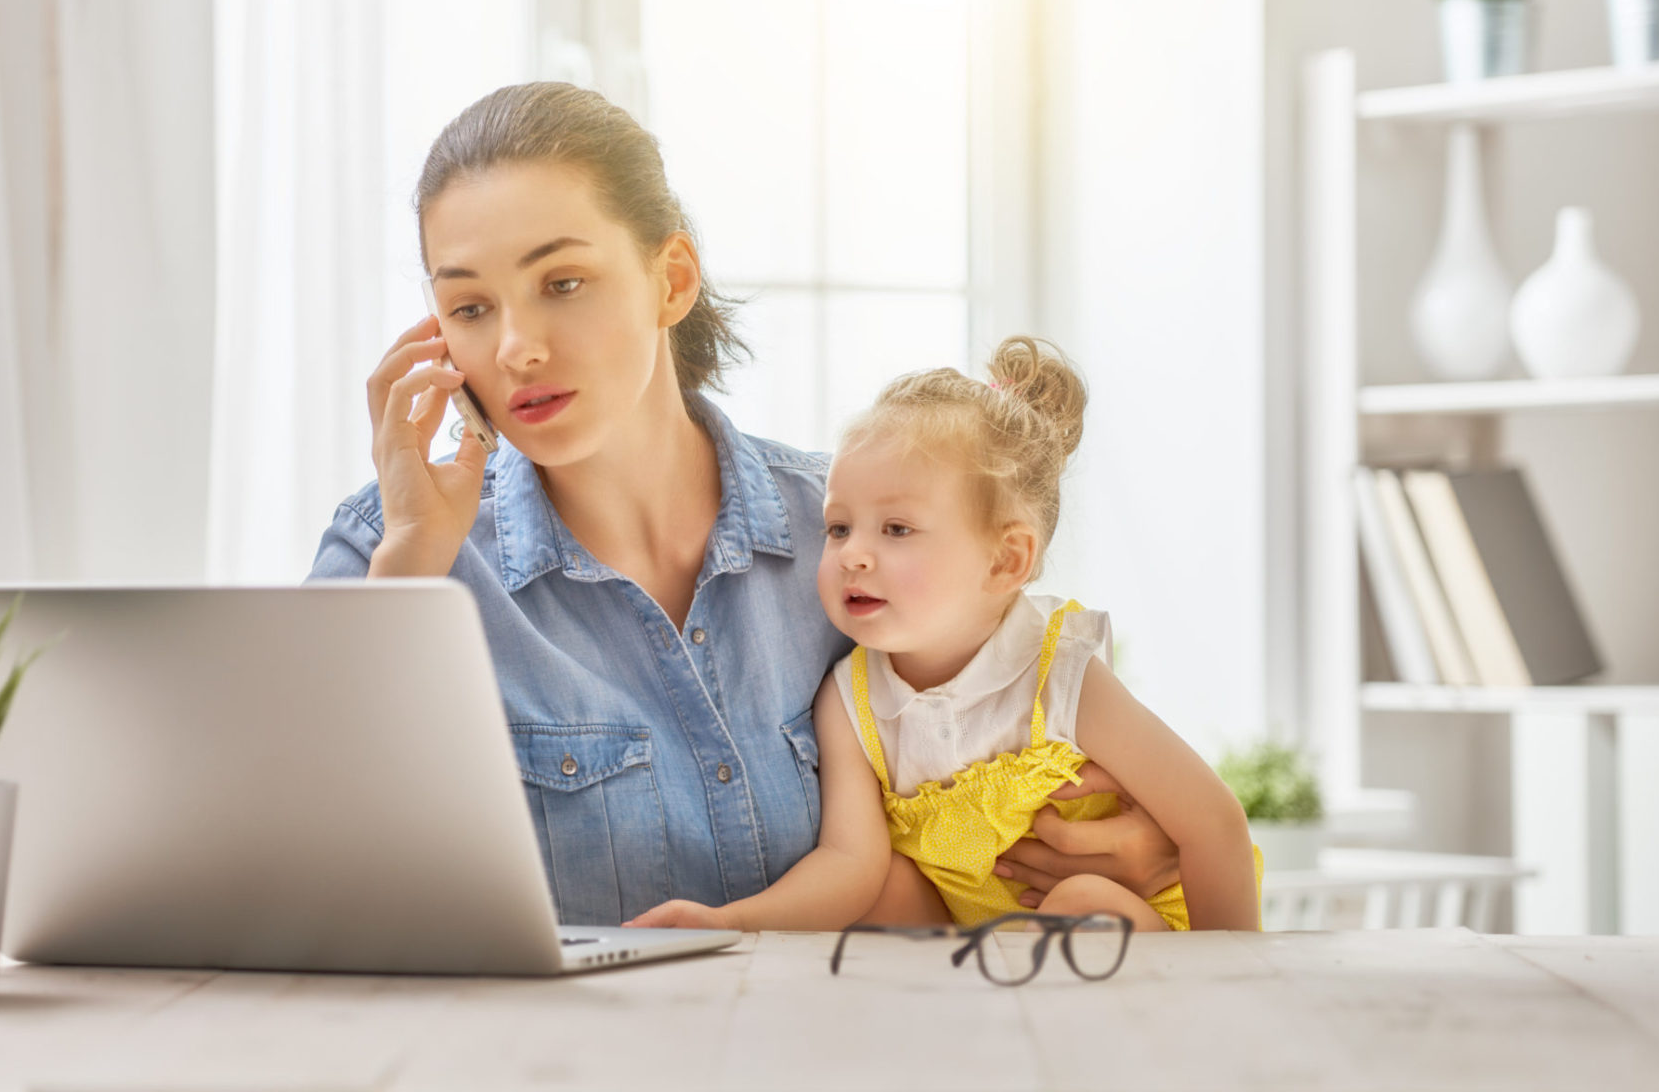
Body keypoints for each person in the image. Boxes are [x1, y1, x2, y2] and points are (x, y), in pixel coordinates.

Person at [308, 82, 1184, 926]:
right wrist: (412, 564)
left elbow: (1035, 761)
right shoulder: (388, 549)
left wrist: (1141, 847)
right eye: (468, 306)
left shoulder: (855, 539)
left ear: (672, 278)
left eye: (562, 283)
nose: (516, 348)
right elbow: (309, 878)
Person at [627, 338, 1261, 933]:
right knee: (882, 885)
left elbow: (1214, 824)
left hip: (1119, 928)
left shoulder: (1059, 675)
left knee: (1081, 904)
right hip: (973, 943)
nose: (853, 555)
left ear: (1006, 561)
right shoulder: (850, 698)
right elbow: (850, 862)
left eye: (896, 530)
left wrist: (1235, 980)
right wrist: (730, 922)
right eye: (840, 527)